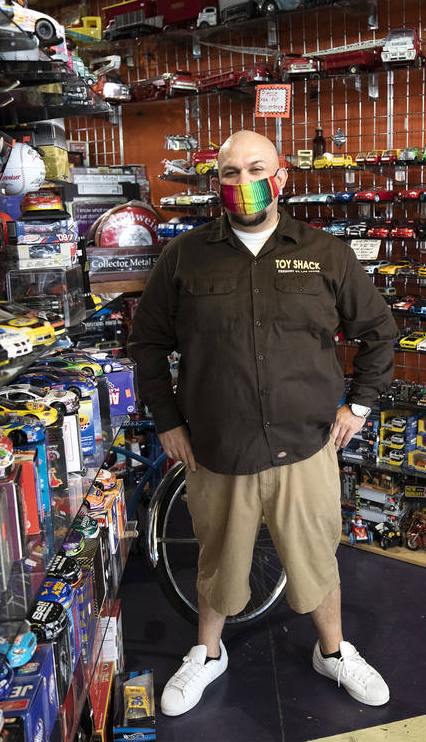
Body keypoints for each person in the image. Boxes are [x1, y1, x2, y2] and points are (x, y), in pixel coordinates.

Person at [128, 130, 399, 717]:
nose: (244, 182)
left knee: (317, 558)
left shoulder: (325, 252)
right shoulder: (185, 256)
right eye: (230, 172)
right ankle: (206, 653)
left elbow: (379, 334)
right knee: (217, 560)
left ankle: (333, 651)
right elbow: (146, 342)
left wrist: (359, 405)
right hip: (216, 448)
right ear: (216, 182)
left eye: (257, 169)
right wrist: (168, 421)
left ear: (282, 177)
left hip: (304, 447)